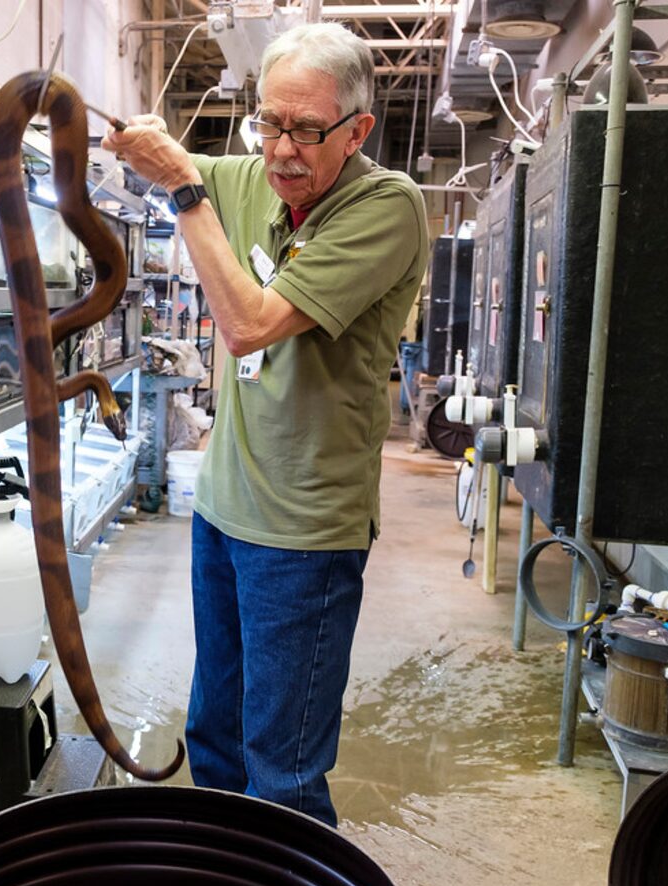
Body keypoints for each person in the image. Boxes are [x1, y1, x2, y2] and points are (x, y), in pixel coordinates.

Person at [103, 22, 428, 826]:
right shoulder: (248, 177)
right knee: (214, 739)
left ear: (357, 131)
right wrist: (117, 139)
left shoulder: (388, 208)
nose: (281, 151)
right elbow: (151, 163)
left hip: (306, 535)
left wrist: (181, 186)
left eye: (306, 130)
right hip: (222, 511)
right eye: (268, 123)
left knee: (280, 770)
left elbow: (248, 324)